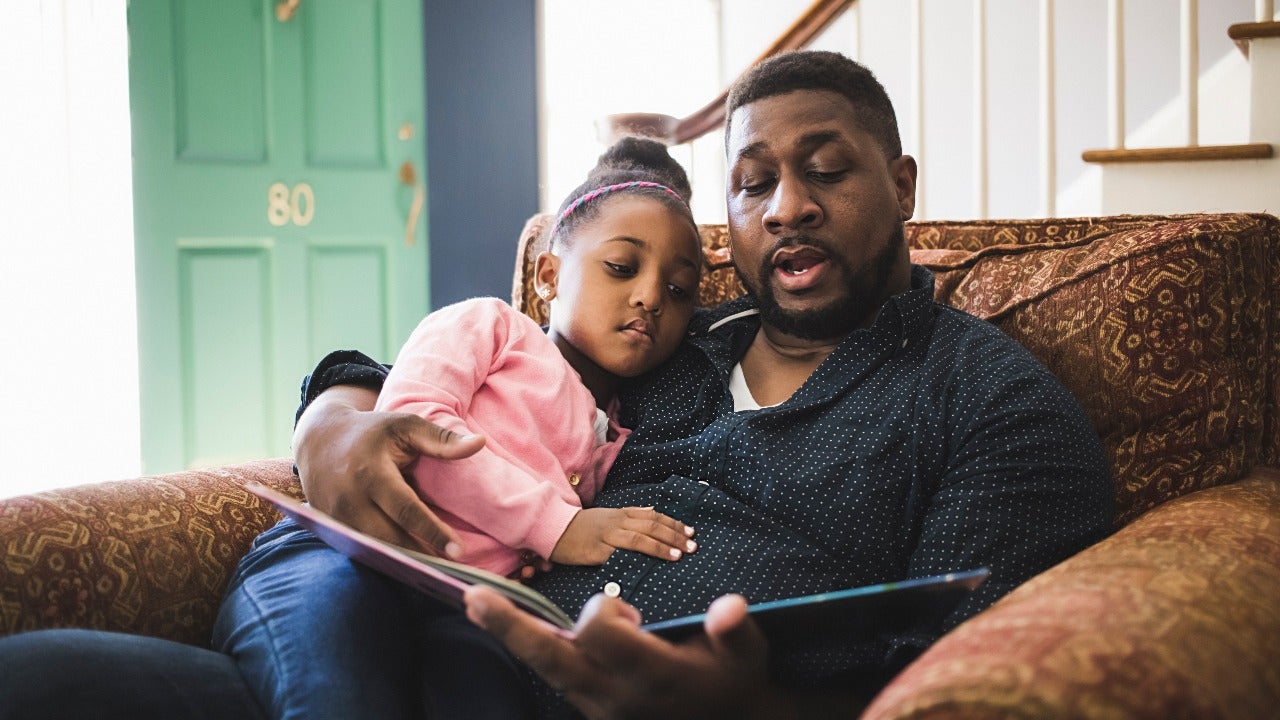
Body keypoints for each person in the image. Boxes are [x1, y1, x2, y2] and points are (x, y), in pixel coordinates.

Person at [0, 50, 1113, 720]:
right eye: (753, 184)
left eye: (824, 171)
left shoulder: (986, 406)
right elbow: (440, 377)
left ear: (900, 183)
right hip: (420, 654)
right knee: (37, 680)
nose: (785, 208)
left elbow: (956, 680)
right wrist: (334, 419)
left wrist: (753, 712)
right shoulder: (677, 342)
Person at [376, 138, 702, 578]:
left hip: (462, 603)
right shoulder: (489, 326)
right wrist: (556, 528)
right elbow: (411, 429)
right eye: (622, 267)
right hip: (355, 560)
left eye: (678, 289)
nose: (650, 298)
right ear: (549, 276)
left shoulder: (621, 437)